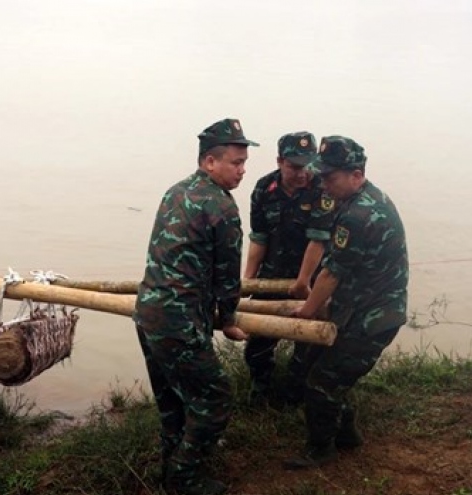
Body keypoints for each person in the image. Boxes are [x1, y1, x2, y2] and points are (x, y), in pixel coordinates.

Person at [133, 118, 255, 495]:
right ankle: (183, 480)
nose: (242, 170)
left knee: (172, 399)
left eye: (243, 161)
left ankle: (171, 464)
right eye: (235, 162)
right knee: (215, 398)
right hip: (179, 319)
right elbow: (226, 276)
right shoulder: (222, 206)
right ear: (209, 162)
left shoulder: (175, 191)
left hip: (148, 312)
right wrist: (230, 320)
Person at [284, 136, 408, 470]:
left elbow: (331, 274)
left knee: (321, 382)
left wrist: (307, 310)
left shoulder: (358, 215)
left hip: (372, 319)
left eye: (331, 177)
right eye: (321, 176)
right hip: (361, 309)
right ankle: (346, 434)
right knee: (321, 368)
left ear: (356, 174)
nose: (324, 184)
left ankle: (320, 449)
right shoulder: (366, 198)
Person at [243, 131, 335, 407]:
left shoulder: (323, 189)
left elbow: (318, 240)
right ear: (280, 161)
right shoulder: (263, 188)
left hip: (311, 281)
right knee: (258, 345)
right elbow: (259, 238)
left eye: (308, 165)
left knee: (307, 346)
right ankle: (261, 391)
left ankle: (296, 397)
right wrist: (247, 282)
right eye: (295, 166)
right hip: (271, 276)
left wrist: (303, 282)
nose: (302, 173)